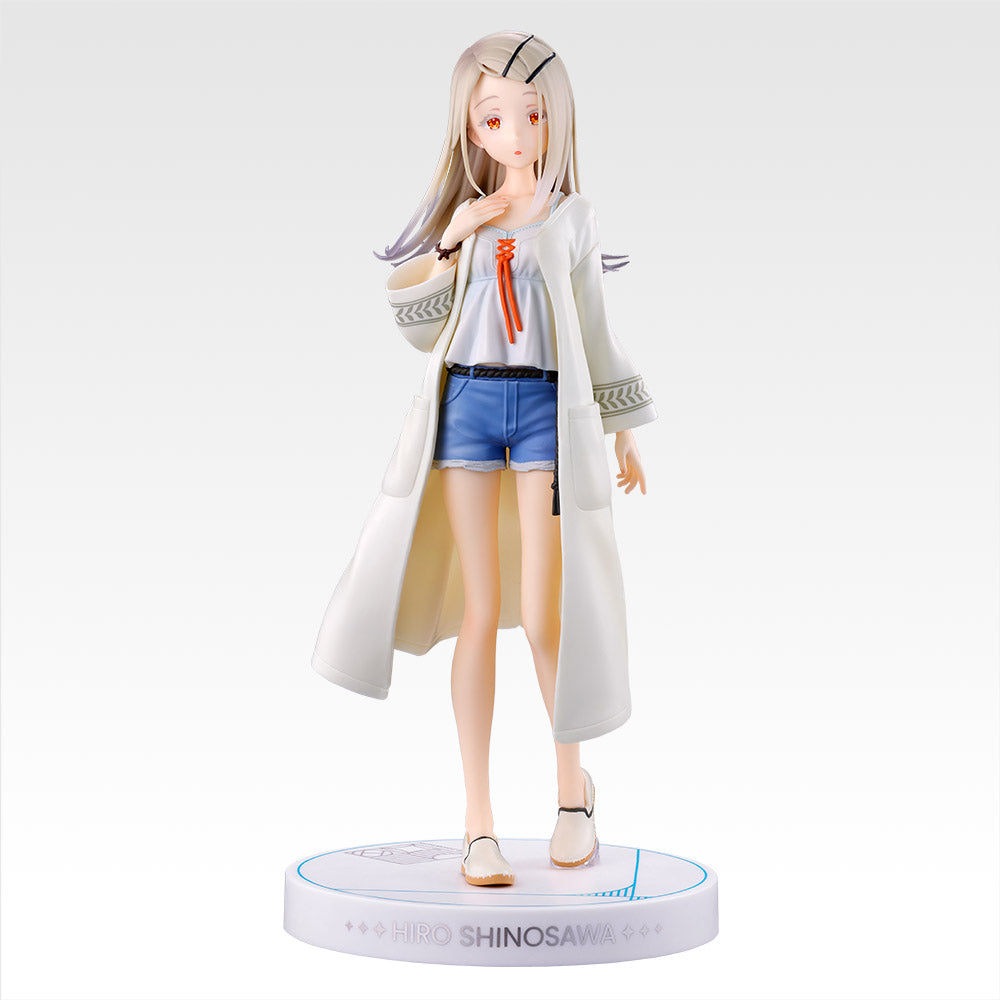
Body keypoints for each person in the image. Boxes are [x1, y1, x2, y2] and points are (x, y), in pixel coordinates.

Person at [312, 31, 657, 887]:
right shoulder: (466, 219)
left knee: (544, 614)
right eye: (494, 117)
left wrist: (624, 425)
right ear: (471, 126)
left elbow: (596, 329)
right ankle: (479, 824)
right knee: (479, 611)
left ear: (555, 118)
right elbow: (420, 330)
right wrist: (450, 241)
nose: (514, 132)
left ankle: (572, 797)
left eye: (531, 114)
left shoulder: (571, 219)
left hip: (543, 410)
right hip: (466, 407)